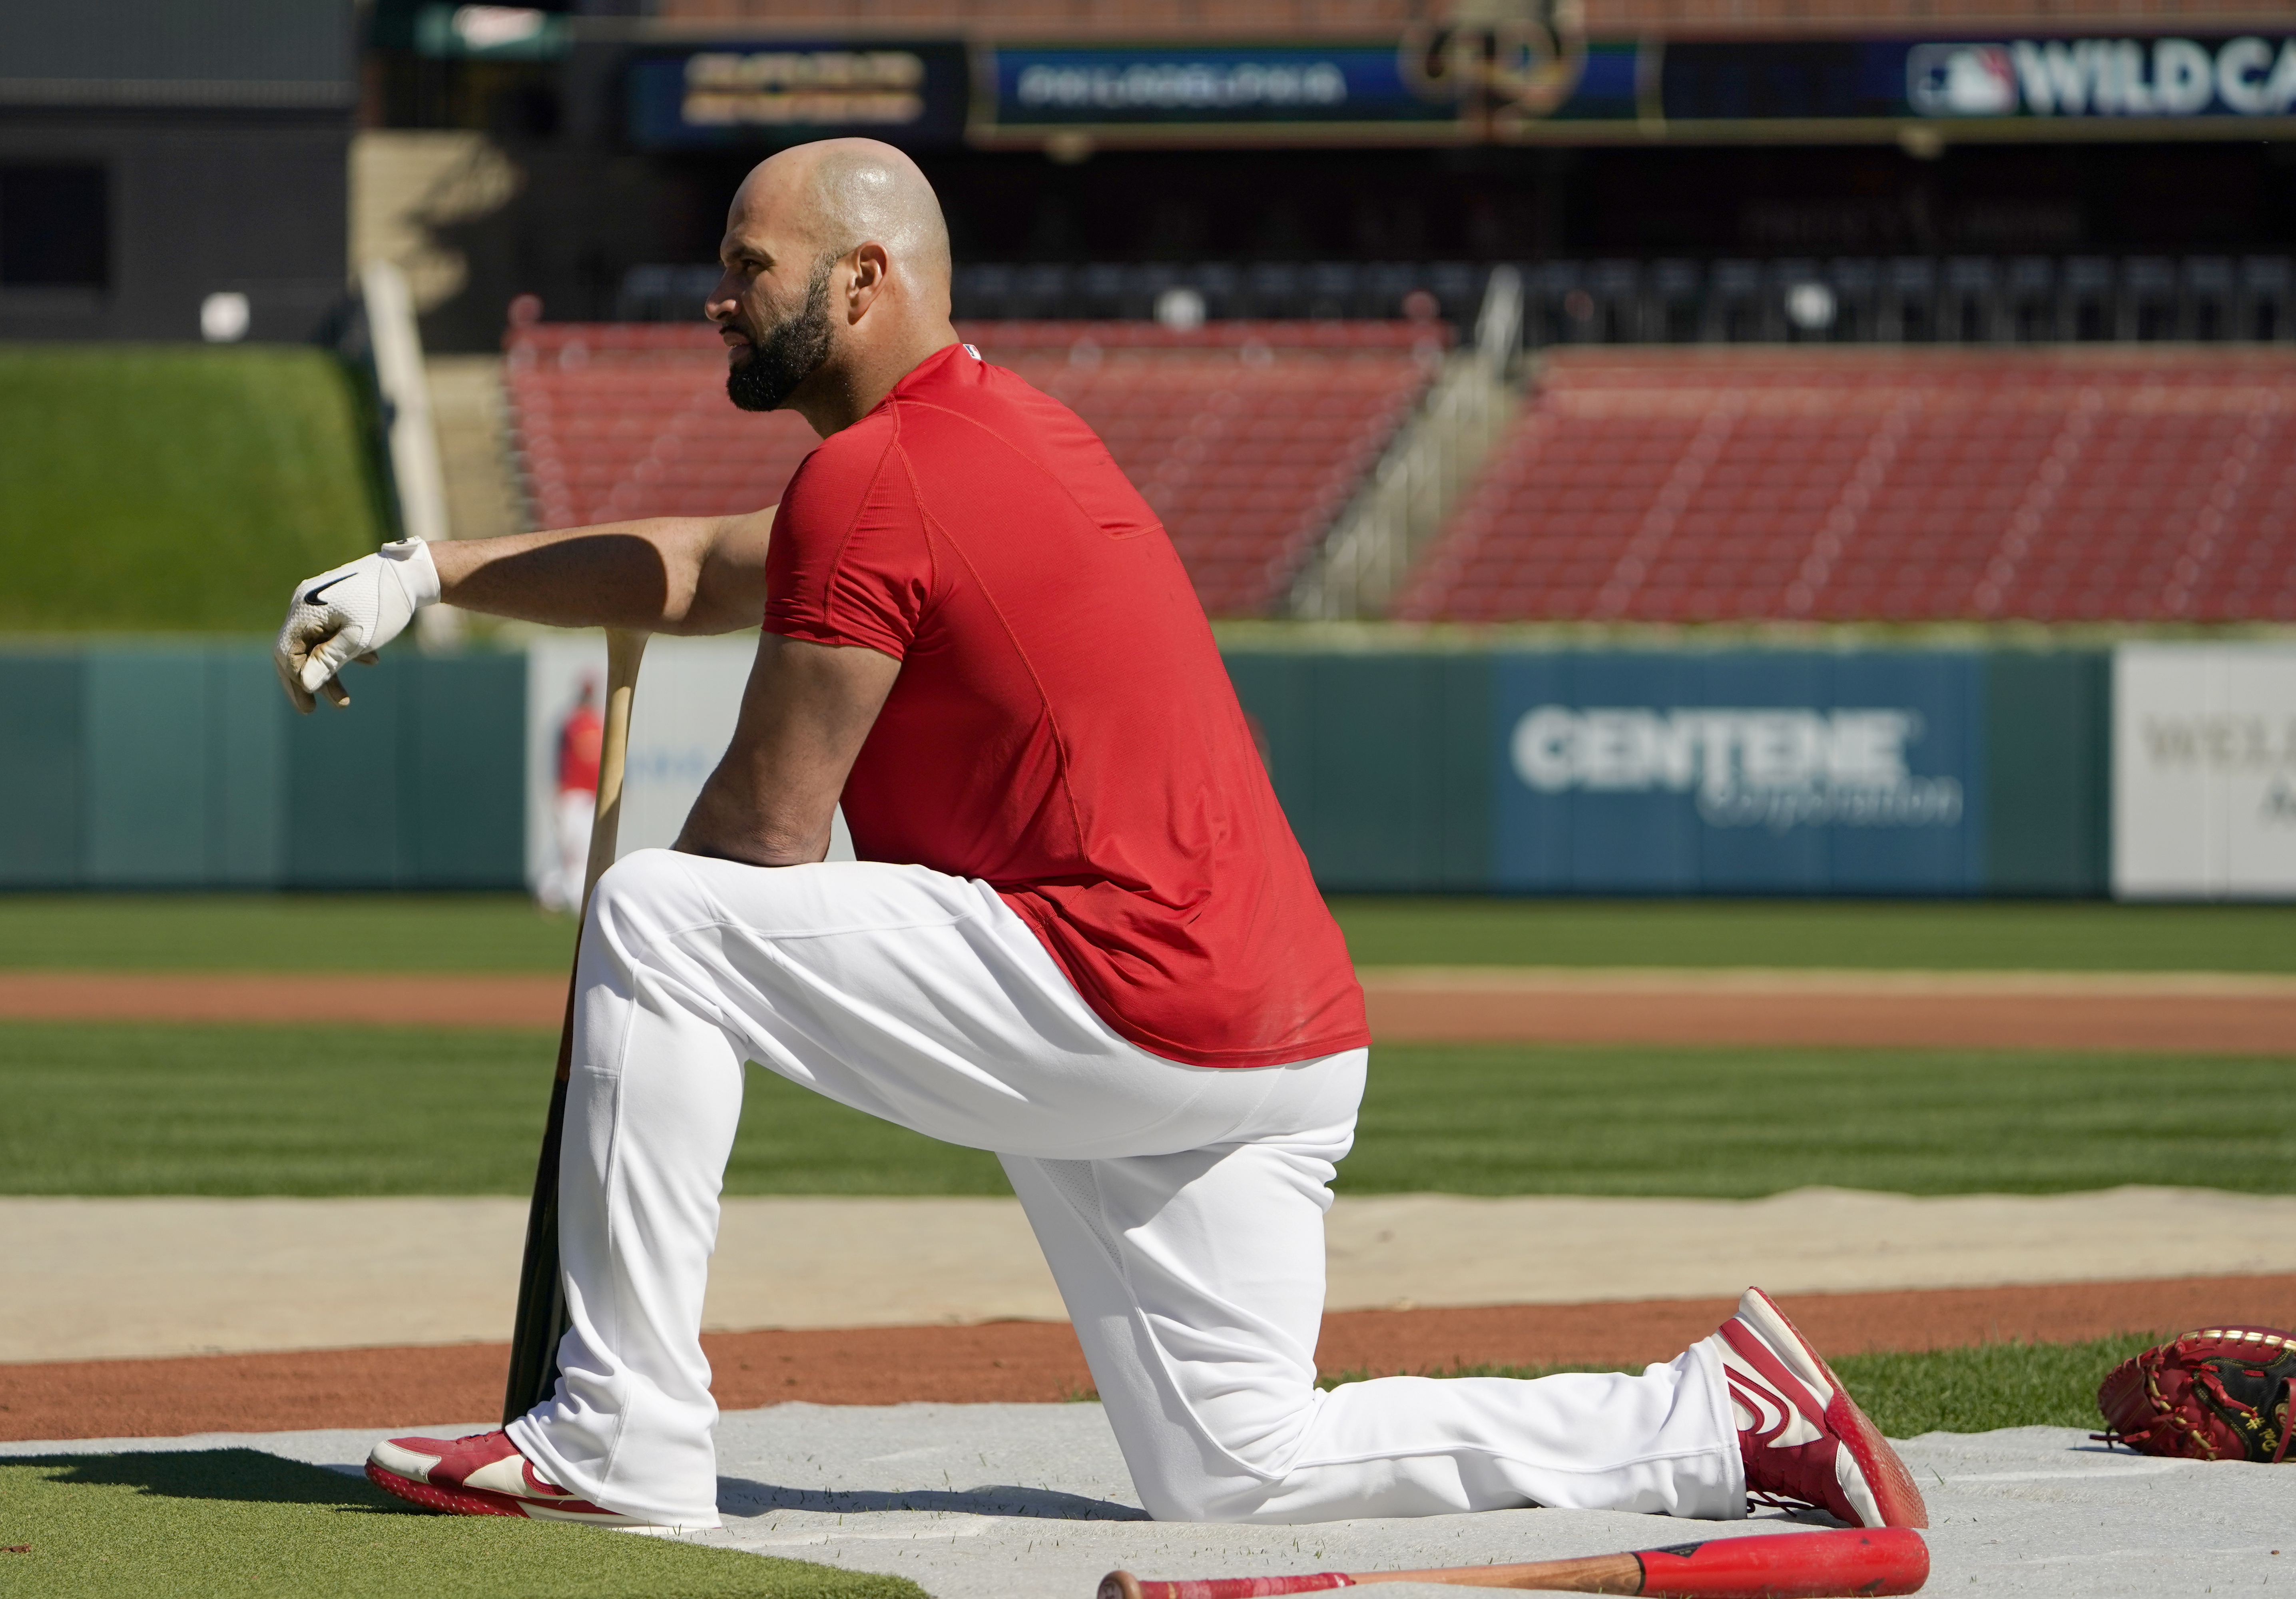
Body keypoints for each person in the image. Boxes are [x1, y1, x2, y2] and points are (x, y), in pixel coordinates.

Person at [273, 140, 1925, 1536]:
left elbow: (761, 840)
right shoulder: (988, 436)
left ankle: (619, 1430)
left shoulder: (879, 481)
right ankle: (1721, 1413)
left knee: (659, 910)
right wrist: (435, 571)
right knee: (1239, 1466)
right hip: (1277, 1035)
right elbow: (708, 567)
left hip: (1121, 985)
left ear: (861, 282)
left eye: (747, 265)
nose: (716, 296)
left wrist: (657, 984)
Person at [538, 678, 604, 913]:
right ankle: (561, 895)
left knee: (579, 848)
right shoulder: (573, 723)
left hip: (589, 796)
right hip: (571, 794)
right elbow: (565, 760)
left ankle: (555, 893)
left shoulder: (597, 723)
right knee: (569, 847)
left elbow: (599, 764)